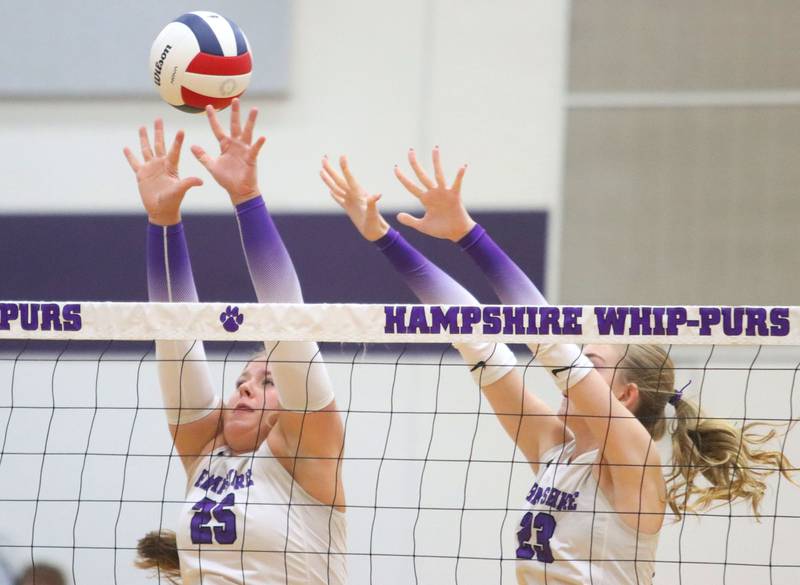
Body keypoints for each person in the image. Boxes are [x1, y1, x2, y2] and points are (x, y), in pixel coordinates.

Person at [320, 148, 795, 584]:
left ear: (625, 395)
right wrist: (383, 238)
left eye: (592, 363)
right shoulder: (554, 450)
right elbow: (474, 337)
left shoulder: (634, 458)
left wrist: (469, 235)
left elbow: (550, 343)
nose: (573, 370)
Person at [124, 99, 347, 585]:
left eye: (266, 381)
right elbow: (175, 330)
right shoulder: (207, 450)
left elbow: (287, 324)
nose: (243, 388)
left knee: (284, 334)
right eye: (241, 379)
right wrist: (163, 220)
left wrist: (247, 198)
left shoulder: (306, 451)